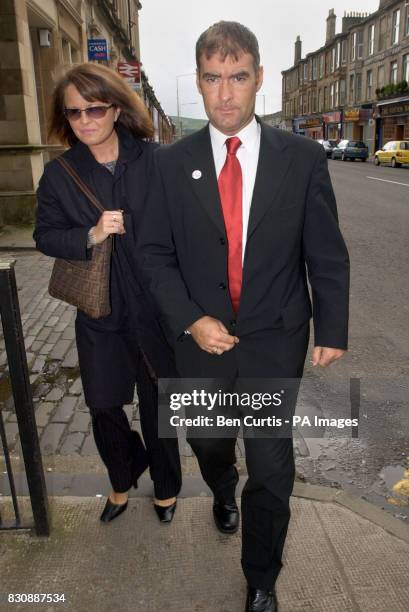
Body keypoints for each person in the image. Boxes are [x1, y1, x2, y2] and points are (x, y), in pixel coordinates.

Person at [138, 21, 349, 612]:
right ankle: (220, 484)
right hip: (196, 342)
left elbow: (325, 251)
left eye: (237, 77)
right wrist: (190, 319)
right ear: (199, 84)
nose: (225, 93)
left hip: (272, 339)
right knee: (208, 441)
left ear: (257, 79)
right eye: (212, 79)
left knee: (271, 460)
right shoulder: (169, 164)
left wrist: (331, 328)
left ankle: (261, 576)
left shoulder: (302, 158)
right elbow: (153, 254)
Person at [34, 63, 181, 525]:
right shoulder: (60, 174)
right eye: (74, 113)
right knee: (102, 403)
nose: (84, 121)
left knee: (159, 404)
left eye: (94, 109)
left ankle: (166, 488)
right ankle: (123, 477)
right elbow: (44, 236)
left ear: (115, 108)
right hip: (101, 309)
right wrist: (90, 234)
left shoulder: (155, 160)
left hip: (155, 306)